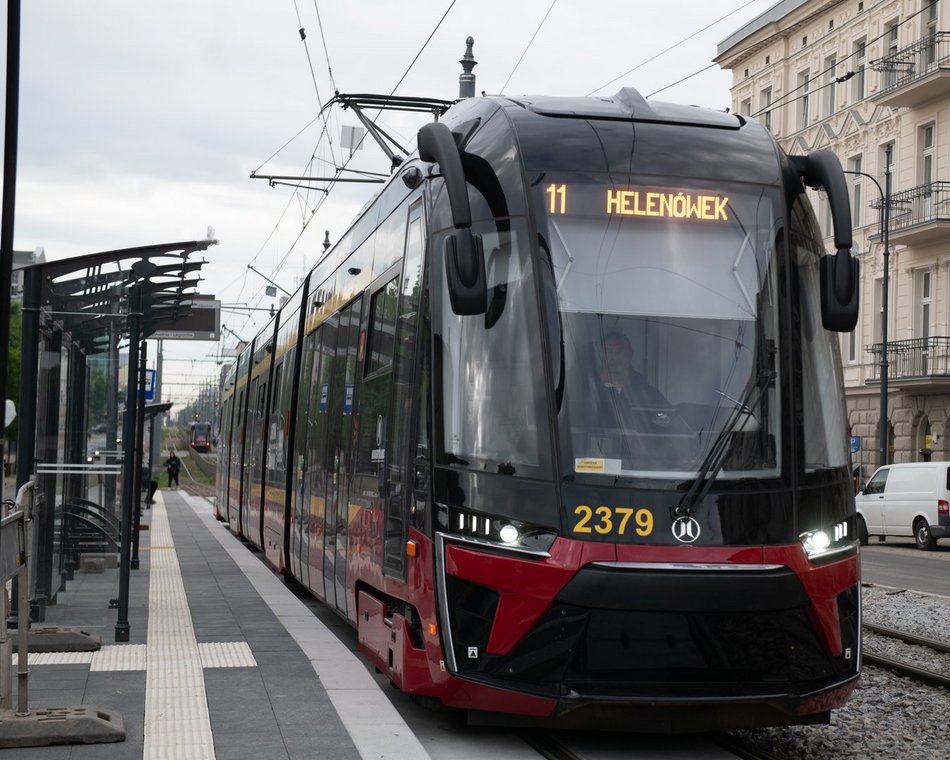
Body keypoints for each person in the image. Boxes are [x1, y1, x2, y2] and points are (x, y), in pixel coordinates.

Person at [601, 332, 670, 409]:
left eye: (619, 352)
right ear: (601, 356)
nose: (613, 357)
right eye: (608, 351)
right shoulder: (591, 391)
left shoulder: (649, 395)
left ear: (630, 355)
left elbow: (668, 416)